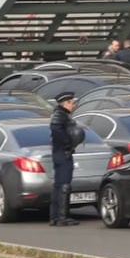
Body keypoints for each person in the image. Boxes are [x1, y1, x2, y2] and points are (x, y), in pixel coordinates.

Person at [49, 92, 82, 226]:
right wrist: (67, 144)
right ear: (66, 103)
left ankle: (55, 216)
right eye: (71, 102)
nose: (73, 105)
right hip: (63, 153)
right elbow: (57, 131)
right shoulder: (60, 116)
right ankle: (62, 217)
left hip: (60, 153)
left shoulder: (61, 115)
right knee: (64, 185)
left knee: (59, 185)